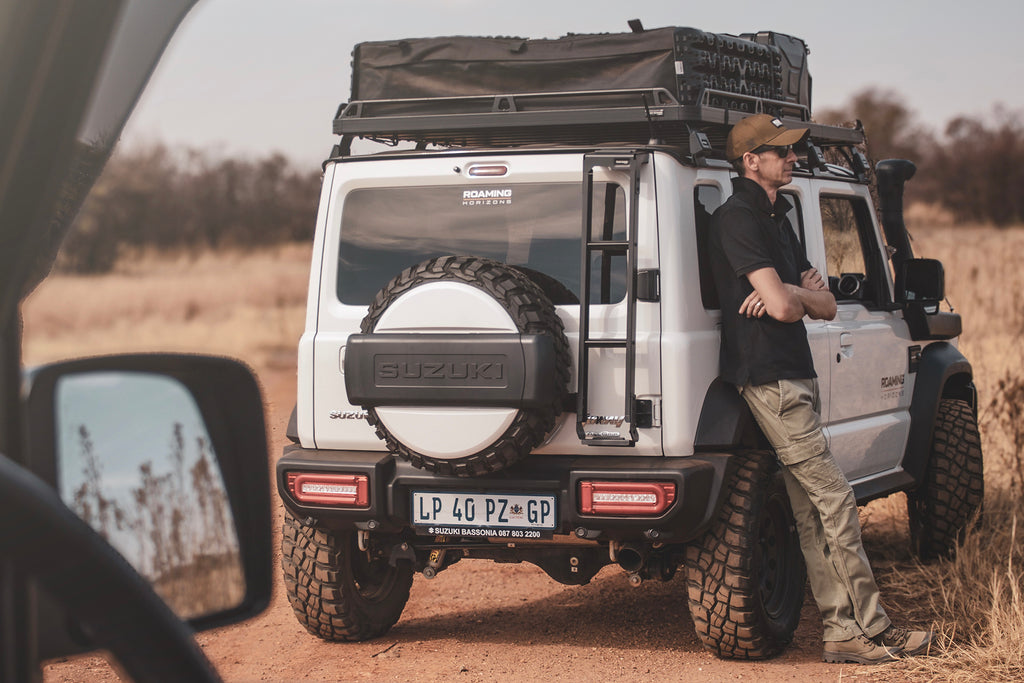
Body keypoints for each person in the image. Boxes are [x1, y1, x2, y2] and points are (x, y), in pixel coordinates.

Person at [708, 114, 933, 665]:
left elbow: (823, 302)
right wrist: (793, 295)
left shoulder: (778, 215)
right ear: (750, 160)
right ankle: (871, 628)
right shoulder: (737, 217)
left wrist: (791, 294)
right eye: (779, 153)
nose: (791, 159)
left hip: (793, 369)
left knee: (812, 509)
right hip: (771, 378)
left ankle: (840, 634)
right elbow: (790, 305)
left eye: (790, 152)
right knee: (836, 500)